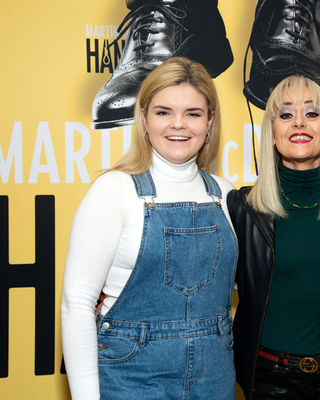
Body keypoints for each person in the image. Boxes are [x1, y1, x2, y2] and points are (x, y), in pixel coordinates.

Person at [61, 57, 237, 400]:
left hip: (214, 381)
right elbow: (76, 304)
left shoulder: (226, 195)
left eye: (193, 113)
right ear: (143, 118)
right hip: (130, 380)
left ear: (210, 121)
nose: (178, 125)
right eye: (163, 112)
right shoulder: (113, 190)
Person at [228, 75, 320, 400]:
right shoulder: (242, 208)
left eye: (312, 113)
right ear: (271, 132)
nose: (299, 122)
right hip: (268, 379)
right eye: (286, 114)